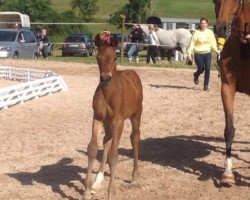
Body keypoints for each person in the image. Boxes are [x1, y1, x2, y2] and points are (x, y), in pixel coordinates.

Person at [187, 17, 220, 91]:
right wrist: (189, 54)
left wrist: (216, 50)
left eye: (204, 23)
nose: (203, 24)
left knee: (208, 69)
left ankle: (206, 86)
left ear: (207, 24)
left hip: (207, 53)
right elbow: (192, 44)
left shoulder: (210, 32)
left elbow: (213, 42)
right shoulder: (196, 33)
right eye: (202, 23)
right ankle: (196, 74)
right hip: (198, 54)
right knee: (201, 69)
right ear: (200, 24)